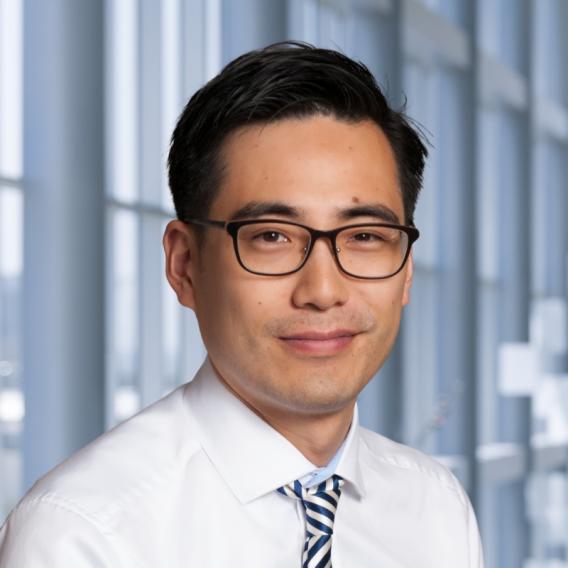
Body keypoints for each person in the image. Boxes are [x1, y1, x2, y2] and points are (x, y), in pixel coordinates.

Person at [0, 41, 483, 567]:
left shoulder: (434, 508)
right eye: (271, 236)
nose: (322, 291)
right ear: (184, 264)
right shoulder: (86, 532)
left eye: (365, 236)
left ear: (406, 269)